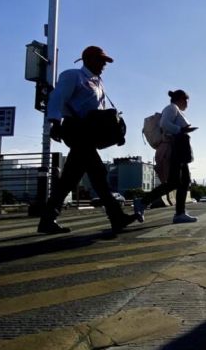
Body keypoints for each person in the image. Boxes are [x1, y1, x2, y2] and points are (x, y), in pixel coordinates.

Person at [38, 45, 136, 234]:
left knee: (70, 178)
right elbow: (57, 97)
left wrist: (115, 134)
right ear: (88, 60)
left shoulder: (99, 83)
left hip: (89, 133)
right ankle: (116, 216)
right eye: (101, 61)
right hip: (75, 129)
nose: (104, 65)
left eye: (105, 62)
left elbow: (100, 114)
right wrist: (55, 123)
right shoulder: (73, 75)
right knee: (98, 173)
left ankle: (47, 220)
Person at [136, 90, 198, 224]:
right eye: (186, 100)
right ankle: (142, 202)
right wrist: (181, 130)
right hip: (175, 149)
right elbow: (164, 123)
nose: (187, 104)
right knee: (175, 182)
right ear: (181, 99)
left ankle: (180, 213)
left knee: (183, 181)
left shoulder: (175, 110)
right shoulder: (171, 108)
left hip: (180, 149)